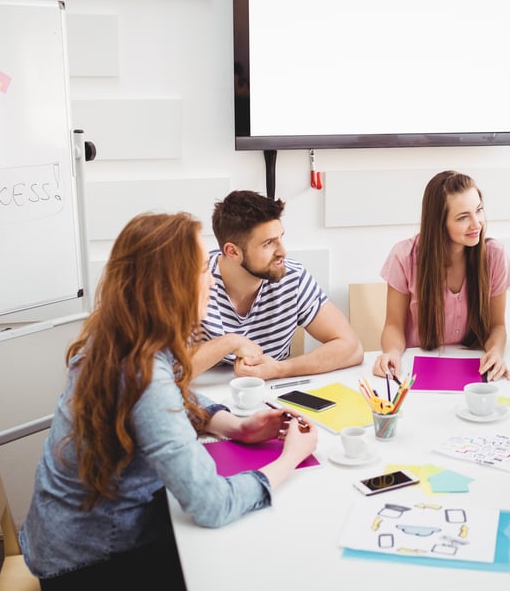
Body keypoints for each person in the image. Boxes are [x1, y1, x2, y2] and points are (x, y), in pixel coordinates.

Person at [20, 212, 319, 588]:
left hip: (64, 539)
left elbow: (171, 390)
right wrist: (291, 457)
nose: (211, 279)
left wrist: (233, 425)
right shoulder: (144, 377)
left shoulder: (115, 335)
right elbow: (213, 505)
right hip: (93, 562)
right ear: (172, 286)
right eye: (202, 269)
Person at [193, 190, 363, 379]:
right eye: (268, 243)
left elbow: (351, 347)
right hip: (203, 394)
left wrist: (281, 369)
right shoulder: (194, 282)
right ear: (233, 252)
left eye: (281, 238)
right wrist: (229, 343)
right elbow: (169, 370)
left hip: (270, 392)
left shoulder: (293, 278)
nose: (283, 251)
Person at [372, 170, 510, 381]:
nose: (476, 224)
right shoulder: (404, 256)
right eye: (463, 217)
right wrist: (392, 353)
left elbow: (497, 326)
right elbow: (394, 325)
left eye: (479, 210)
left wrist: (495, 352)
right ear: (439, 223)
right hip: (418, 368)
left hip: (475, 368)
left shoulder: (495, 255)